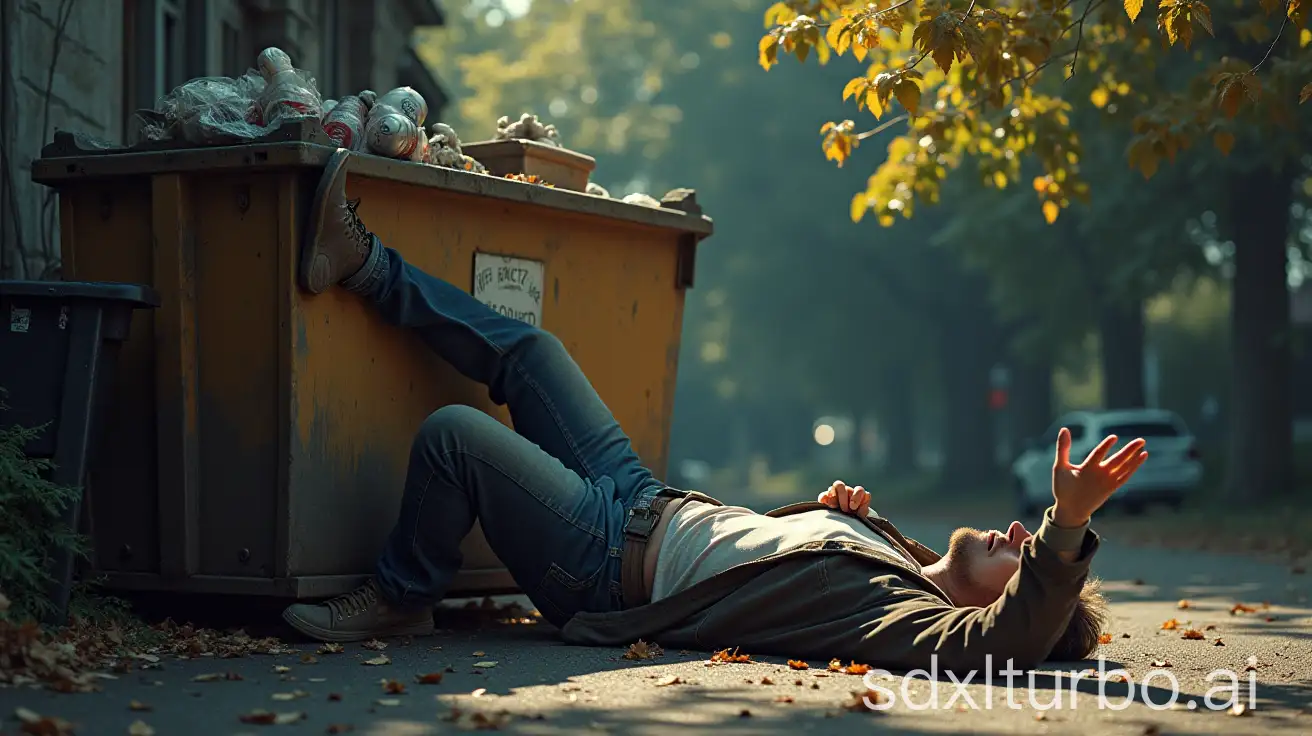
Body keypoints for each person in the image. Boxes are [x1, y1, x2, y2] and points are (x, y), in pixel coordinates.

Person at [282, 149, 1149, 672]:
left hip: (605, 564)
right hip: (643, 498)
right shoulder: (898, 561)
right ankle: (362, 262)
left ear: (1013, 606)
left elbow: (1003, 644)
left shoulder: (909, 626)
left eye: (1024, 558)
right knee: (534, 350)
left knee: (455, 440)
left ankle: (401, 595)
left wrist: (1065, 529)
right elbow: (771, 562)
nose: (1015, 533)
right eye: (1028, 538)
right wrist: (838, 516)